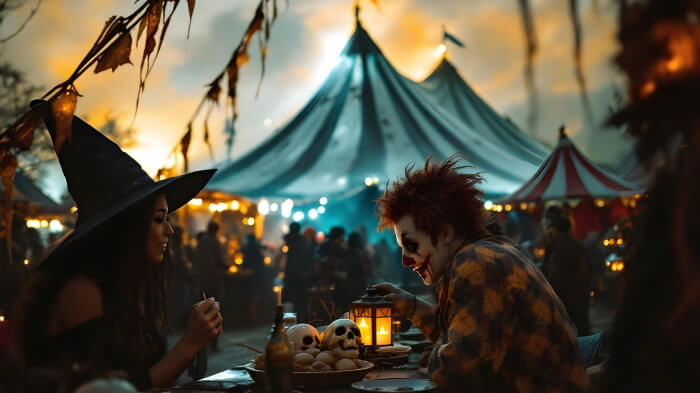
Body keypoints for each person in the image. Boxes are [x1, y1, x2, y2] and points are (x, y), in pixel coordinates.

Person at [11, 100, 222, 391]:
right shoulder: (81, 291)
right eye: (159, 219)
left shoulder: (121, 287)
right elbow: (123, 388)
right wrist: (190, 344)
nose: (170, 231)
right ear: (127, 228)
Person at [373, 156, 588, 393]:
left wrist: (435, 358)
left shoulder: (477, 263)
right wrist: (412, 306)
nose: (405, 261)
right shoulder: (488, 250)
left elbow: (456, 369)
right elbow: (468, 332)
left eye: (411, 245)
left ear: (444, 233)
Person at [543, 216, 592, 336]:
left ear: (553, 230)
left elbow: (554, 272)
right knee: (583, 330)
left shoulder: (556, 246)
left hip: (563, 297)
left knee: (561, 332)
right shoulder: (578, 244)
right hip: (580, 295)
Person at [282, 222, 311, 321]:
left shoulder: (289, 239)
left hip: (290, 274)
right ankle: (301, 322)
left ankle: (290, 323)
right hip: (301, 275)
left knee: (291, 301)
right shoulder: (303, 241)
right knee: (301, 302)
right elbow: (307, 257)